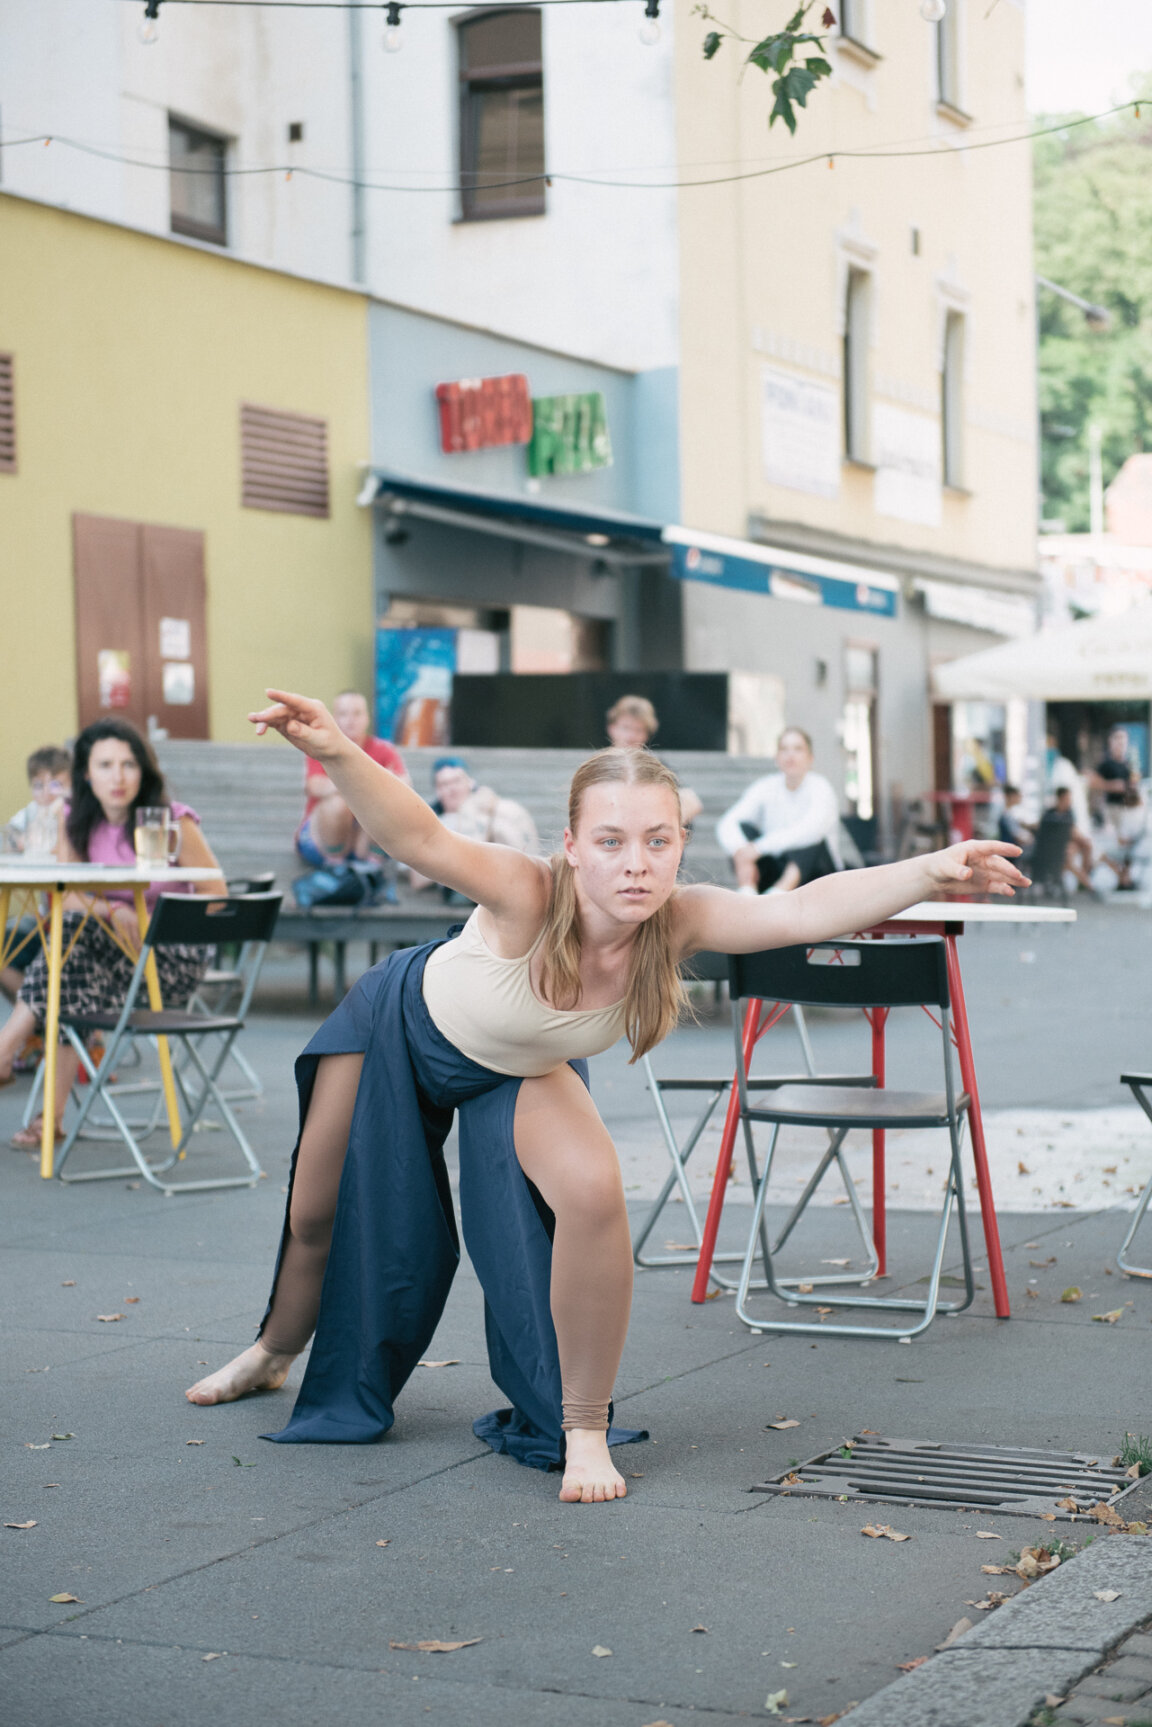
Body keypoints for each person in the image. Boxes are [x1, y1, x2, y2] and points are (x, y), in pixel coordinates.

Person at [185, 688, 1027, 1505]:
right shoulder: (529, 890)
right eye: (613, 840)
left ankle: (582, 1425)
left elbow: (803, 909)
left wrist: (932, 868)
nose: (637, 863)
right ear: (574, 845)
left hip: (510, 1064)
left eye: (658, 841)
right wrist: (337, 749)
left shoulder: (680, 918)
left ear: (680, 841)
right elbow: (420, 837)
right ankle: (273, 1347)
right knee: (316, 1211)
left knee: (592, 1191)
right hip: (402, 1019)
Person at [0, 719, 226, 1144]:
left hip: (167, 959)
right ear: (86, 773)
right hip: (100, 955)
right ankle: (50, 1119)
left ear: (144, 770)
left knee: (71, 947)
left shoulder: (173, 820)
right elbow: (65, 897)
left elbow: (216, 895)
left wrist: (153, 922)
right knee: (72, 957)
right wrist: (114, 909)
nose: (118, 777)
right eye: (105, 765)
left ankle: (8, 1046)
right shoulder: (75, 820)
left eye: (128, 764)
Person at [716, 726, 841, 895]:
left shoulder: (821, 788)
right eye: (784, 749)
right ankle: (747, 891)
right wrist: (742, 854)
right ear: (776, 758)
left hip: (816, 875)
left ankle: (779, 893)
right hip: (776, 867)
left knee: (810, 839)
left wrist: (758, 848)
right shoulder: (765, 786)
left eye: (798, 749)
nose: (790, 755)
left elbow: (811, 830)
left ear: (810, 758)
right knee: (742, 832)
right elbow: (728, 822)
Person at [295, 691, 410, 869]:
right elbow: (316, 786)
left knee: (387, 803)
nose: (351, 720)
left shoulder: (384, 750)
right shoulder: (321, 748)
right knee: (338, 804)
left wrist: (343, 784)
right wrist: (375, 782)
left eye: (357, 713)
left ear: (367, 718)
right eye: (343, 713)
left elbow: (404, 786)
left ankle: (371, 866)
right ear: (334, 718)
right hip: (320, 841)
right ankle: (336, 868)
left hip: (365, 840)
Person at [408, 757, 540, 901]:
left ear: (470, 783)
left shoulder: (495, 810)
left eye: (456, 781)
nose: (452, 789)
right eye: (444, 784)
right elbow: (417, 879)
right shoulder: (434, 822)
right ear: (437, 791)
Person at [2, 745, 72, 1008]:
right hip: (43, 915)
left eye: (56, 784)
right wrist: (17, 839)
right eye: (38, 785)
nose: (46, 793)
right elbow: (10, 834)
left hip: (72, 913)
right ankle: (41, 1022)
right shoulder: (32, 812)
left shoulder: (73, 812)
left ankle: (50, 1020)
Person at [605, 695, 702, 824]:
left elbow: (692, 802)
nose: (630, 736)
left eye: (638, 730)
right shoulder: (598, 765)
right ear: (612, 728)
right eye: (626, 728)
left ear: (647, 735)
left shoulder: (654, 765)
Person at [1091, 726, 1138, 811]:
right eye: (1117, 738)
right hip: (1109, 807)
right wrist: (1111, 785)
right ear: (1110, 741)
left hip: (1126, 808)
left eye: (1123, 738)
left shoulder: (1129, 764)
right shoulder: (1106, 763)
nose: (1121, 741)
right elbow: (1093, 783)